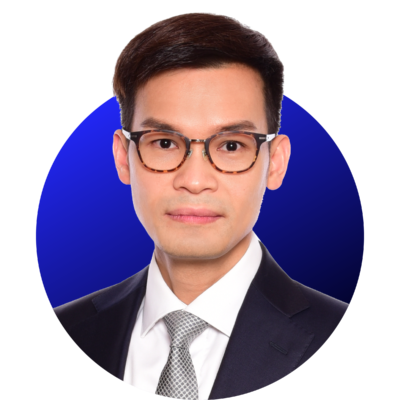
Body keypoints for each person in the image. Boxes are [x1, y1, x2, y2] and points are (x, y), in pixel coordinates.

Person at [52, 12, 349, 399]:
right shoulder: (70, 328)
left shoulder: (331, 329)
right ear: (123, 158)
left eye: (231, 145)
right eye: (164, 143)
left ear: (275, 163)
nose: (194, 181)